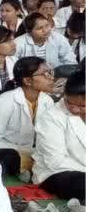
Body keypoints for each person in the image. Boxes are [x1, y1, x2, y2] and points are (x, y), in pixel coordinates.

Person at [0, 57, 54, 177]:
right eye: (45, 74)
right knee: (9, 157)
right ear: (28, 81)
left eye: (51, 72)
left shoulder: (47, 100)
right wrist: (25, 152)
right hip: (7, 151)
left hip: (32, 151)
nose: (51, 78)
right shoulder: (3, 102)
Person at [32, 70, 85, 201]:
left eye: (83, 106)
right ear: (65, 95)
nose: (75, 110)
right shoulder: (51, 117)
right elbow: (54, 161)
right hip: (57, 172)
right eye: (70, 103)